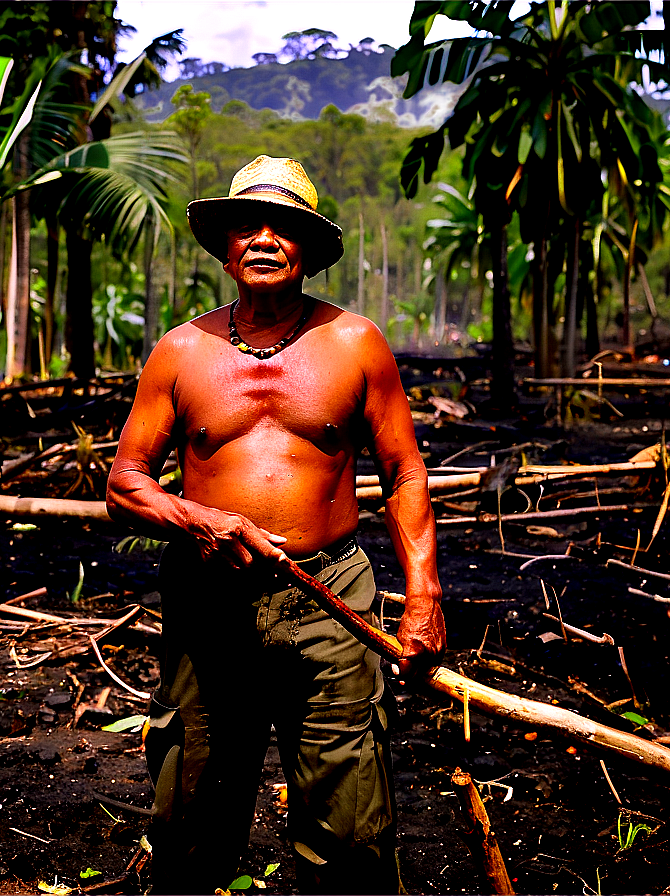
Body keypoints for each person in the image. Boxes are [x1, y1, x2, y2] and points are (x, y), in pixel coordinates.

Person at [106, 155, 446, 894]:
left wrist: (424, 597)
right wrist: (198, 521)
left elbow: (405, 472)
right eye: (247, 225)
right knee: (191, 818)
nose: (263, 238)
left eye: (283, 227)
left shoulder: (355, 344)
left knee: (350, 826)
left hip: (330, 602)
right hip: (209, 603)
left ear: (307, 248)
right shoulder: (181, 351)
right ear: (226, 246)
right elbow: (125, 483)